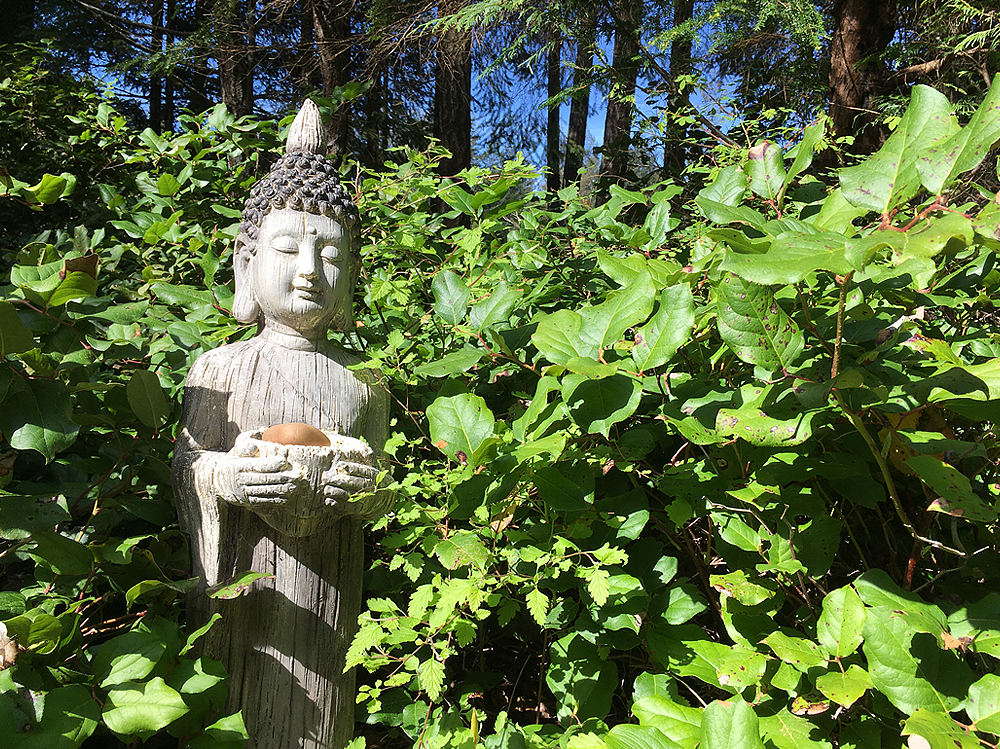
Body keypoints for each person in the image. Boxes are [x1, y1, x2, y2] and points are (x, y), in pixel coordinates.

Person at [172, 100, 390, 749]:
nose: (307, 270)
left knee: (321, 721)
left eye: (330, 254)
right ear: (246, 261)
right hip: (245, 590)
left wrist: (370, 487)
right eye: (287, 247)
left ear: (350, 272)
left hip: (328, 592)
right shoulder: (220, 366)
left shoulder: (366, 380)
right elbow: (188, 466)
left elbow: (383, 487)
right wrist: (226, 477)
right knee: (233, 710)